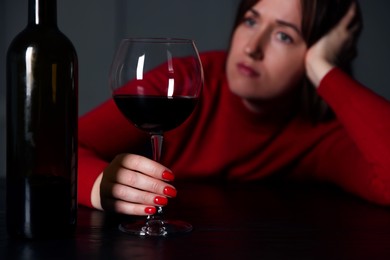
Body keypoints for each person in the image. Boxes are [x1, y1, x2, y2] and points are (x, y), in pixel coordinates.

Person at [78, 0, 390, 216]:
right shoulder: (184, 83)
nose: (252, 47)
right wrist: (98, 186)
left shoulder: (322, 133)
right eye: (251, 20)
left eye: (284, 35)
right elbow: (53, 148)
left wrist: (324, 69)